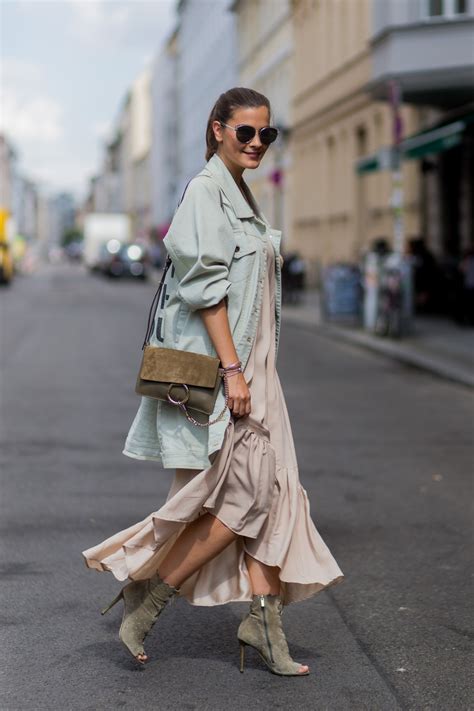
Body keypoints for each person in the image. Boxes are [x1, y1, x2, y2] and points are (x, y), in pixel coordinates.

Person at [82, 87, 344, 677]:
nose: (257, 143)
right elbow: (206, 292)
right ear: (218, 129)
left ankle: (265, 626)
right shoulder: (207, 192)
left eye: (266, 134)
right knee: (245, 493)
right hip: (236, 371)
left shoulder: (241, 193)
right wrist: (232, 371)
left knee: (273, 495)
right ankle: (148, 601)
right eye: (245, 132)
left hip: (261, 371)